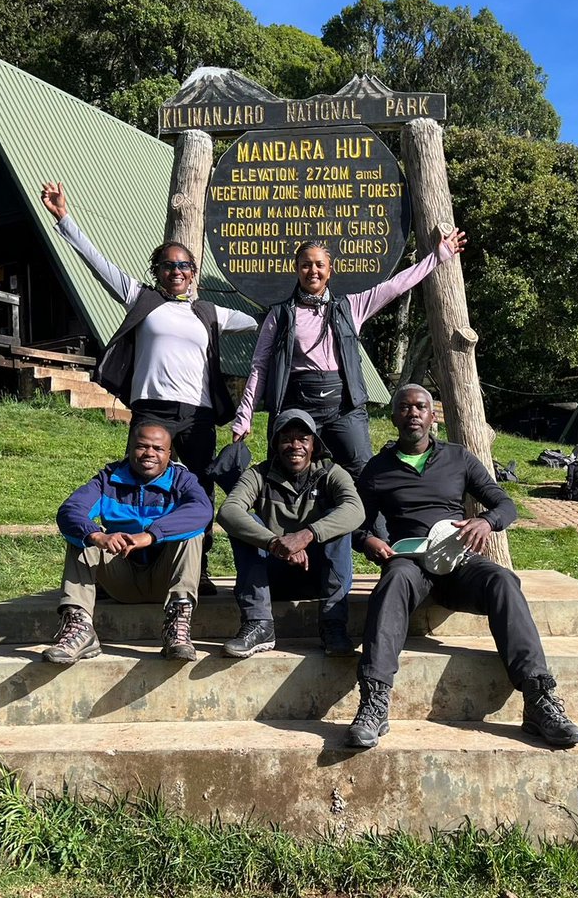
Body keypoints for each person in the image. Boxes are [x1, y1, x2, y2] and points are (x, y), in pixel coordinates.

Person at [40, 179, 258, 592]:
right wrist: (64, 218)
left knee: (198, 489)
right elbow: (97, 263)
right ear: (157, 271)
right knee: (139, 481)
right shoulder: (142, 299)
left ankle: (196, 568)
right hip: (151, 411)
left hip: (196, 415)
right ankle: (132, 562)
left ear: (194, 274)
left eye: (184, 266)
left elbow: (258, 320)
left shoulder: (209, 312)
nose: (177, 272)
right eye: (168, 266)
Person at [347, 384, 578, 750]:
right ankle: (374, 703)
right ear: (394, 417)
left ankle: (538, 699)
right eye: (405, 407)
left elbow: (505, 504)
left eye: (421, 407)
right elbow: (355, 525)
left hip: (458, 562)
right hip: (410, 563)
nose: (413, 413)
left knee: (503, 580)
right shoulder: (377, 469)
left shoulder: (458, 458)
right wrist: (368, 542)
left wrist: (486, 521)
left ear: (432, 416)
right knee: (393, 581)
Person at [232, 230, 466, 478]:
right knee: (288, 475)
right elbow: (259, 367)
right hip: (297, 405)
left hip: (344, 407)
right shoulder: (279, 315)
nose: (313, 271)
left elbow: (396, 286)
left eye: (320, 265)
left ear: (329, 270)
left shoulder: (351, 306)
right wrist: (245, 415)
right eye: (306, 265)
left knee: (363, 474)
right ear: (296, 269)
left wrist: (438, 256)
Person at [43, 423, 212, 664]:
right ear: (130, 449)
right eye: (142, 446)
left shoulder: (182, 481)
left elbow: (201, 511)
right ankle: (80, 628)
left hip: (166, 578)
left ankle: (177, 627)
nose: (149, 453)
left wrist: (151, 535)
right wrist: (98, 536)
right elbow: (71, 510)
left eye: (158, 448)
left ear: (169, 454)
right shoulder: (108, 480)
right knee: (83, 536)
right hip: (121, 577)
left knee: (191, 533)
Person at [218, 408, 365, 657]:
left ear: (313, 445)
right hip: (271, 575)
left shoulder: (331, 472)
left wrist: (305, 536)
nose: (295, 446)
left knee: (338, 522)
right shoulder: (258, 474)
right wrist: (276, 543)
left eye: (302, 439)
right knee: (245, 523)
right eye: (286, 439)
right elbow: (228, 511)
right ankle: (259, 624)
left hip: (319, 575)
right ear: (276, 444)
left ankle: (333, 626)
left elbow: (355, 509)